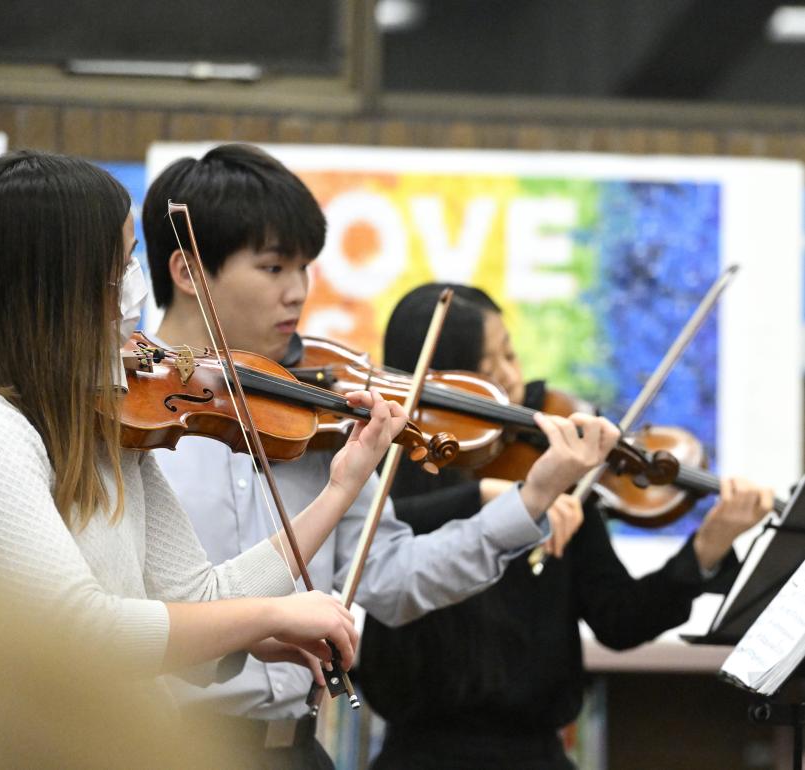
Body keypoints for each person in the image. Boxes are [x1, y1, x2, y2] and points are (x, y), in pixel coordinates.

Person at [141, 143, 620, 768]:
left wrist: (532, 497)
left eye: (306, 268)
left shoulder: (316, 417)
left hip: (296, 750)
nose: (299, 293)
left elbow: (395, 581)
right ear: (189, 272)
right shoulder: (128, 421)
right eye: (274, 268)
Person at [0, 149, 414, 717]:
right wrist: (271, 615)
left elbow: (199, 596)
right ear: (56, 285)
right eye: (120, 267)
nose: (134, 289)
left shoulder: (107, 428)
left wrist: (340, 487)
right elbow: (79, 632)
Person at [357, 282, 776, 770]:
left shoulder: (551, 468)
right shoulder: (384, 472)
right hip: (417, 757)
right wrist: (489, 496)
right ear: (444, 380)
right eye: (491, 367)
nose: (516, 380)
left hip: (537, 755)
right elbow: (363, 542)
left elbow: (619, 620)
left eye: (511, 355)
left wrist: (704, 550)